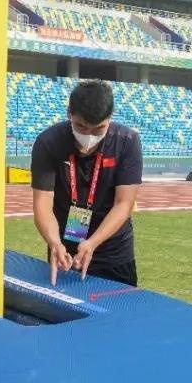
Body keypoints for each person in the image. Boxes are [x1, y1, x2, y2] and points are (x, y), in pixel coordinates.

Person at [30, 79, 143, 286]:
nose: (89, 136)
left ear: (110, 118)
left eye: (98, 129)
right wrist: (54, 243)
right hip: (64, 252)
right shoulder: (48, 142)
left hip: (113, 253)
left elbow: (124, 203)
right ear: (69, 114)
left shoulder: (127, 141)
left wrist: (92, 243)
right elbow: (42, 203)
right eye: (81, 127)